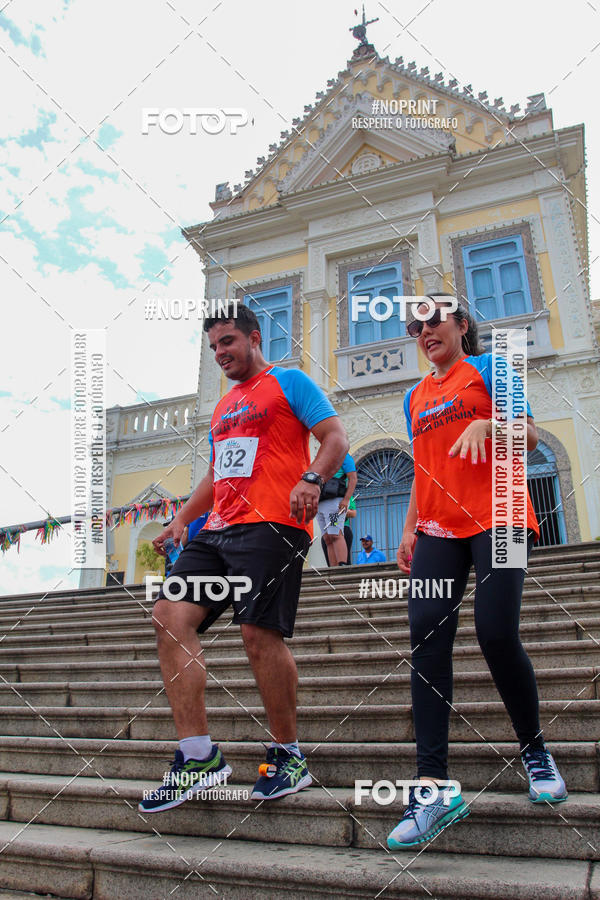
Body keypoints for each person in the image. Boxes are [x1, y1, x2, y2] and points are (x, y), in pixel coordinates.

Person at [139, 303, 348, 813]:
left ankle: (288, 754)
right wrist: (181, 520)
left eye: (228, 342)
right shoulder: (222, 408)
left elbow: (334, 438)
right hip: (216, 531)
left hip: (271, 525)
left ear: (254, 338)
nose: (220, 354)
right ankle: (198, 757)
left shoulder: (289, 382)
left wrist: (313, 477)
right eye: (213, 347)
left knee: (258, 634)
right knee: (168, 616)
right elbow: (217, 476)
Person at [386, 295, 567, 851]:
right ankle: (433, 787)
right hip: (440, 529)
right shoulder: (415, 396)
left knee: (495, 633)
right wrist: (411, 527)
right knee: (426, 636)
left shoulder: (491, 368)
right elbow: (422, 467)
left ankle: (535, 752)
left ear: (462, 325)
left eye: (434, 320)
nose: (424, 331)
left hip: (504, 514)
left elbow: (531, 438)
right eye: (415, 326)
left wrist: (490, 424)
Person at [316, 453, 357, 566]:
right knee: (327, 538)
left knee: (335, 534)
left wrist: (346, 499)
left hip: (334, 501)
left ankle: (342, 564)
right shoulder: (322, 457)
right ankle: (333, 568)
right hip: (321, 501)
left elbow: (352, 478)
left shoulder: (344, 456)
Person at [321, 496, 356, 565]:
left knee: (344, 562)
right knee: (330, 563)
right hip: (327, 532)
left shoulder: (344, 493)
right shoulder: (321, 493)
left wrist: (336, 511)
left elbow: (353, 513)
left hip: (343, 529)